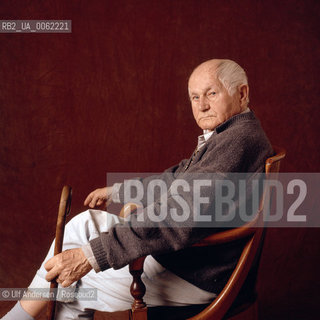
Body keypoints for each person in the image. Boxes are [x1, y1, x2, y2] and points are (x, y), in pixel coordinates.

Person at [2, 59, 273, 320]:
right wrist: (121, 193)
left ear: (242, 93)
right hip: (194, 262)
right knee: (80, 229)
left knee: (73, 287)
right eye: (194, 97)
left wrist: (91, 256)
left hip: (199, 275)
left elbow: (181, 213)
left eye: (211, 93)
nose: (201, 106)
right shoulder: (233, 135)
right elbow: (177, 181)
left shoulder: (237, 142)